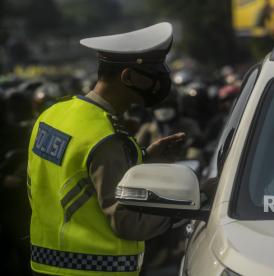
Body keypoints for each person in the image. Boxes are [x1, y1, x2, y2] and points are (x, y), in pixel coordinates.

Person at [27, 22, 185, 276]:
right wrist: (184, 211)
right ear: (129, 77)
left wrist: (143, 157)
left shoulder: (52, 115)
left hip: (45, 262)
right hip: (96, 269)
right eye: (153, 71)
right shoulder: (106, 138)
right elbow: (128, 223)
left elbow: (73, 173)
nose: (160, 78)